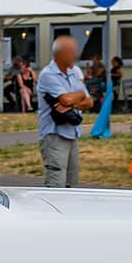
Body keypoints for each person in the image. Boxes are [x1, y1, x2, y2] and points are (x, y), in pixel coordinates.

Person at [37, 36, 93, 188]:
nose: (76, 56)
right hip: (55, 135)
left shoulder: (73, 73)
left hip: (72, 133)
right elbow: (66, 99)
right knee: (56, 184)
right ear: (59, 55)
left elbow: (89, 102)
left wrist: (74, 103)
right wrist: (79, 95)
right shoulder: (48, 74)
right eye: (72, 52)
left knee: (72, 184)